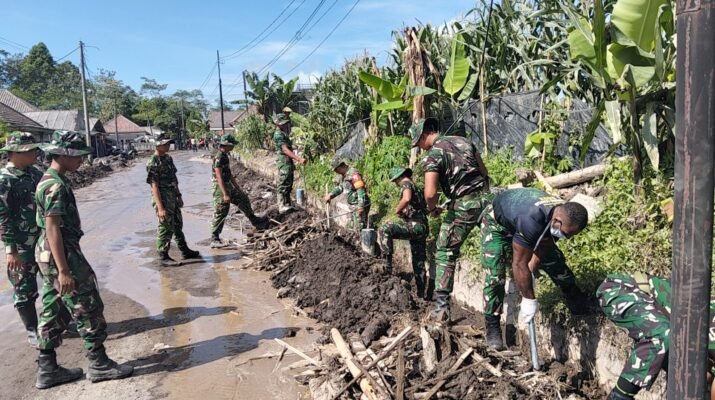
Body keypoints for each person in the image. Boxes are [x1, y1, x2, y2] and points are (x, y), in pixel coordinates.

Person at [34, 131, 133, 389]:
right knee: (87, 304)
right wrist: (64, 270)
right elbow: (52, 228)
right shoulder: (55, 186)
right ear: (63, 154)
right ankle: (99, 364)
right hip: (62, 252)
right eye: (77, 155)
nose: (81, 160)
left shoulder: (48, 180)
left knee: (54, 306)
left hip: (48, 253)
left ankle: (47, 368)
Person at [480, 187, 589, 350]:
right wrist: (529, 299)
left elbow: (545, 244)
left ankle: (575, 299)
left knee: (556, 262)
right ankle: (492, 326)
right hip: (497, 225)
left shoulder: (560, 215)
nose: (566, 238)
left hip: (525, 220)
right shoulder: (531, 219)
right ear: (557, 221)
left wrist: (531, 269)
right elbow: (519, 264)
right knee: (495, 275)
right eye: (565, 234)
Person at [411, 117, 490, 323]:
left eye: (418, 143)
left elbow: (430, 193)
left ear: (424, 134)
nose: (420, 147)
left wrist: (432, 209)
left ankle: (441, 308)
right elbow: (484, 172)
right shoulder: (464, 141)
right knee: (494, 245)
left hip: (464, 206)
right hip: (487, 199)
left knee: (445, 250)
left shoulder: (433, 155)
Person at [598, 273, 715, 400]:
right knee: (662, 333)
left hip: (659, 317)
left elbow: (701, 378)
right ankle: (618, 396)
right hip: (621, 288)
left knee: (689, 376)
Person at [0, 132, 49, 346]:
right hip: (21, 246)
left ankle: (56, 321)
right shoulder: (4, 179)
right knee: (24, 289)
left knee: (53, 282)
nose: (35, 153)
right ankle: (32, 330)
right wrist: (10, 250)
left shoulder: (36, 173)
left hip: (42, 240)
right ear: (16, 152)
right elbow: (2, 217)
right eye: (30, 150)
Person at [146, 135, 201, 266]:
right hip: (163, 198)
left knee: (177, 224)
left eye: (169, 144)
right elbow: (154, 186)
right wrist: (160, 208)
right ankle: (163, 255)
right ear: (158, 145)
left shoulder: (168, 158)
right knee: (165, 226)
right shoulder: (153, 162)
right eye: (165, 144)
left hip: (172, 197)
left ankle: (184, 250)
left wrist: (178, 195)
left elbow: (174, 179)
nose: (168, 146)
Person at [210, 134, 268, 248]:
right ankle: (214, 238)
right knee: (221, 211)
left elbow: (229, 173)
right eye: (232, 145)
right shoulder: (218, 157)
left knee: (243, 198)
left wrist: (237, 187)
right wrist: (225, 194)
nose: (233, 147)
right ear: (226, 145)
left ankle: (255, 220)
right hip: (220, 188)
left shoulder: (225, 155)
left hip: (228, 185)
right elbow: (219, 177)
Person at [378, 167, 428, 298]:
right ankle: (421, 294)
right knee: (418, 261)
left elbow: (406, 199)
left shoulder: (406, 183)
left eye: (395, 181)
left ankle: (387, 266)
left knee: (384, 229)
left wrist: (398, 210)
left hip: (415, 226)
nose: (396, 184)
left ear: (399, 178)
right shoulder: (417, 188)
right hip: (422, 227)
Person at [272, 112, 305, 213]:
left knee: (288, 183)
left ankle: (287, 204)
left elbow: (287, 147)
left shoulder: (283, 133)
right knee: (283, 183)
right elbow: (285, 150)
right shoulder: (278, 134)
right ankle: (282, 205)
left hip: (287, 161)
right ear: (277, 123)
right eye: (283, 123)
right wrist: (298, 159)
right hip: (284, 161)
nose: (285, 125)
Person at [324, 159, 371, 230]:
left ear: (339, 167)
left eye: (336, 170)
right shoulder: (345, 176)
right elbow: (341, 187)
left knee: (359, 227)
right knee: (352, 226)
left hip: (360, 204)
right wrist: (331, 195)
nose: (336, 172)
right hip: (353, 205)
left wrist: (361, 205)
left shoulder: (354, 174)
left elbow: (360, 189)